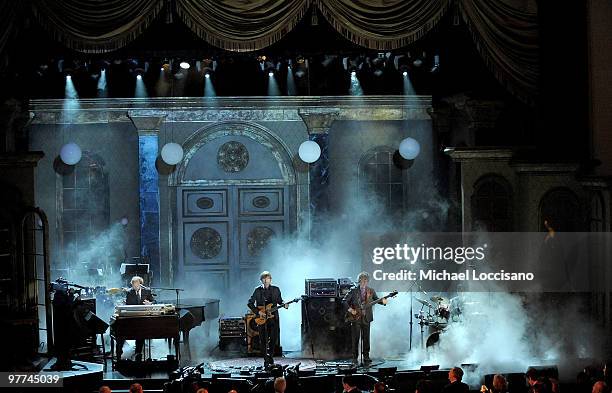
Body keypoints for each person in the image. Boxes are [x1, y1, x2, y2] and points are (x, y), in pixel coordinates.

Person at [342, 271, 387, 365]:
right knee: (355, 338)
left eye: (366, 280)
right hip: (355, 318)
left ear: (368, 281)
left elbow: (377, 300)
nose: (364, 282)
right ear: (359, 280)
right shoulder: (353, 290)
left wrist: (384, 302)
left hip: (367, 317)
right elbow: (344, 301)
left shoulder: (371, 291)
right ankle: (354, 357)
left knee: (366, 338)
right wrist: (351, 310)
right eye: (362, 280)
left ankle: (366, 356)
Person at [247, 271, 287, 369]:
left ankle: (271, 356)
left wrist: (284, 303)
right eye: (264, 279)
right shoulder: (257, 290)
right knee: (263, 340)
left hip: (274, 318)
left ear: (270, 279)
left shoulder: (276, 290)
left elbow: (280, 301)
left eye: (267, 278)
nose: (266, 280)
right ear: (261, 280)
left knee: (273, 339)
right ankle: (266, 359)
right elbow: (250, 303)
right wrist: (258, 312)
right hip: (262, 319)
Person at [116, 276, 155, 361]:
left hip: (143, 317)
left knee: (141, 334)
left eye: (136, 285)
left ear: (140, 284)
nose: (134, 287)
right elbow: (128, 305)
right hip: (132, 317)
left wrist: (150, 303)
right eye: (133, 285)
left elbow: (154, 301)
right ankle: (119, 352)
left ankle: (138, 353)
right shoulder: (130, 292)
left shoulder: (147, 291)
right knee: (123, 332)